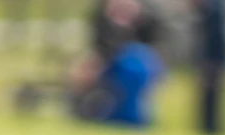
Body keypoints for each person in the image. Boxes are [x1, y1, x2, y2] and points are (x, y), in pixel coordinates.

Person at [70, 0, 165, 128]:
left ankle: (132, 118)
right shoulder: (101, 15)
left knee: (134, 67)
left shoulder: (149, 17)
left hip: (137, 65)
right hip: (109, 60)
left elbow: (154, 49)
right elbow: (99, 46)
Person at [193, 0, 225, 135]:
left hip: (214, 61)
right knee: (208, 97)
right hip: (213, 60)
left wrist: (212, 62)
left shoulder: (215, 10)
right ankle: (207, 129)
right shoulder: (214, 8)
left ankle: (211, 129)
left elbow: (218, 39)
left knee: (212, 96)